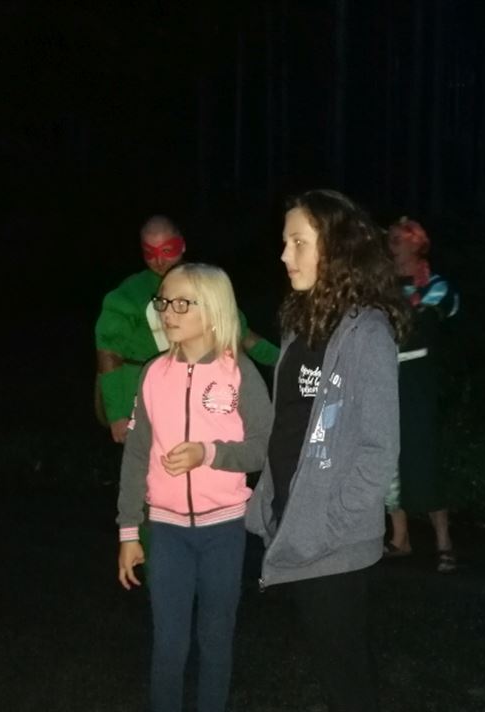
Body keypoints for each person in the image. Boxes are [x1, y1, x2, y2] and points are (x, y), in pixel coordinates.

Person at [245, 189, 408, 712]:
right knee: (337, 667)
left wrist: (333, 522)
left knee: (346, 678)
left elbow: (379, 447)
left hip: (332, 539)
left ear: (336, 248)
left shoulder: (368, 332)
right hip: (295, 522)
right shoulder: (300, 323)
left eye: (298, 242)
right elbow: (290, 422)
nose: (284, 255)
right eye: (284, 242)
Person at [116, 263, 273, 712]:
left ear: (214, 310)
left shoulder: (239, 373)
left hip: (224, 530)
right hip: (166, 532)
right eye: (164, 301)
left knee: (215, 639)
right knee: (169, 643)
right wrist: (129, 532)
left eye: (182, 303)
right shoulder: (153, 374)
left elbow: (262, 448)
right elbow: (136, 455)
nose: (168, 311)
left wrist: (208, 453)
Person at [95, 215, 279, 443]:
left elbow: (241, 333)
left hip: (199, 394)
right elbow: (109, 353)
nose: (159, 260)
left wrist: (285, 361)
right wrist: (117, 414)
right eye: (150, 252)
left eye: (167, 250)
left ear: (182, 245)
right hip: (143, 395)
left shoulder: (206, 285)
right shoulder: (127, 295)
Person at [382, 217, 461, 573]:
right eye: (390, 238)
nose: (392, 244)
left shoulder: (437, 286)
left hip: (418, 378)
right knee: (387, 454)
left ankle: (444, 542)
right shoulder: (381, 286)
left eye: (398, 238)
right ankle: (400, 538)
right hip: (384, 375)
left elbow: (437, 314)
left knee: (424, 454)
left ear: (417, 243)